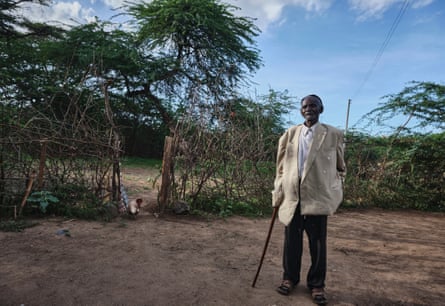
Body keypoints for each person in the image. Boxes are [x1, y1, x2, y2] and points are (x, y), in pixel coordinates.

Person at [272, 94, 346, 305]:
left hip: (318, 198)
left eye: (313, 105)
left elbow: (341, 168)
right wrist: (278, 193)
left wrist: (334, 189)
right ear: (300, 110)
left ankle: (317, 285)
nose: (308, 109)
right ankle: (289, 279)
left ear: (321, 109)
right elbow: (280, 168)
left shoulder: (333, 134)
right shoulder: (290, 134)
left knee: (318, 244)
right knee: (291, 243)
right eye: (305, 106)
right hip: (293, 198)